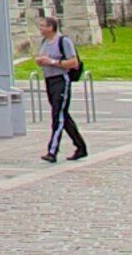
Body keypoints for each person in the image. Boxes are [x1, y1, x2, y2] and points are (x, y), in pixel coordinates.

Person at [35, 11, 89, 162]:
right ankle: (81, 147)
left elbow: (73, 63)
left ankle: (52, 151)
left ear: (51, 27)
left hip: (61, 80)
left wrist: (52, 62)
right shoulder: (44, 42)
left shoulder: (63, 41)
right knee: (63, 116)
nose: (40, 28)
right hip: (49, 80)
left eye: (43, 26)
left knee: (57, 116)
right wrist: (40, 61)